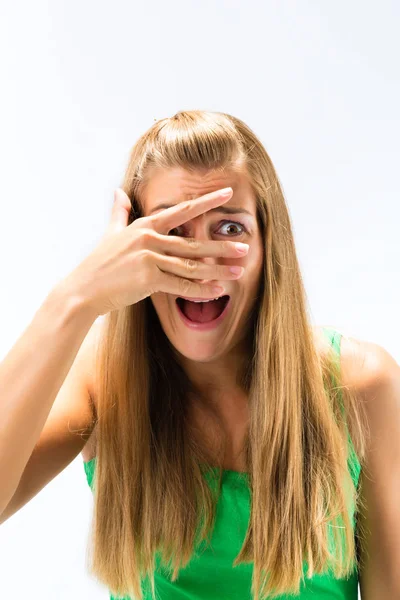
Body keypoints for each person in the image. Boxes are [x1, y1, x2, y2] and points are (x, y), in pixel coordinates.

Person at [0, 110, 399, 600]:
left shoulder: (360, 384)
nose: (201, 260)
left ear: (268, 247)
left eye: (230, 229)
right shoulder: (105, 379)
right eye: (173, 232)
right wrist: (75, 299)